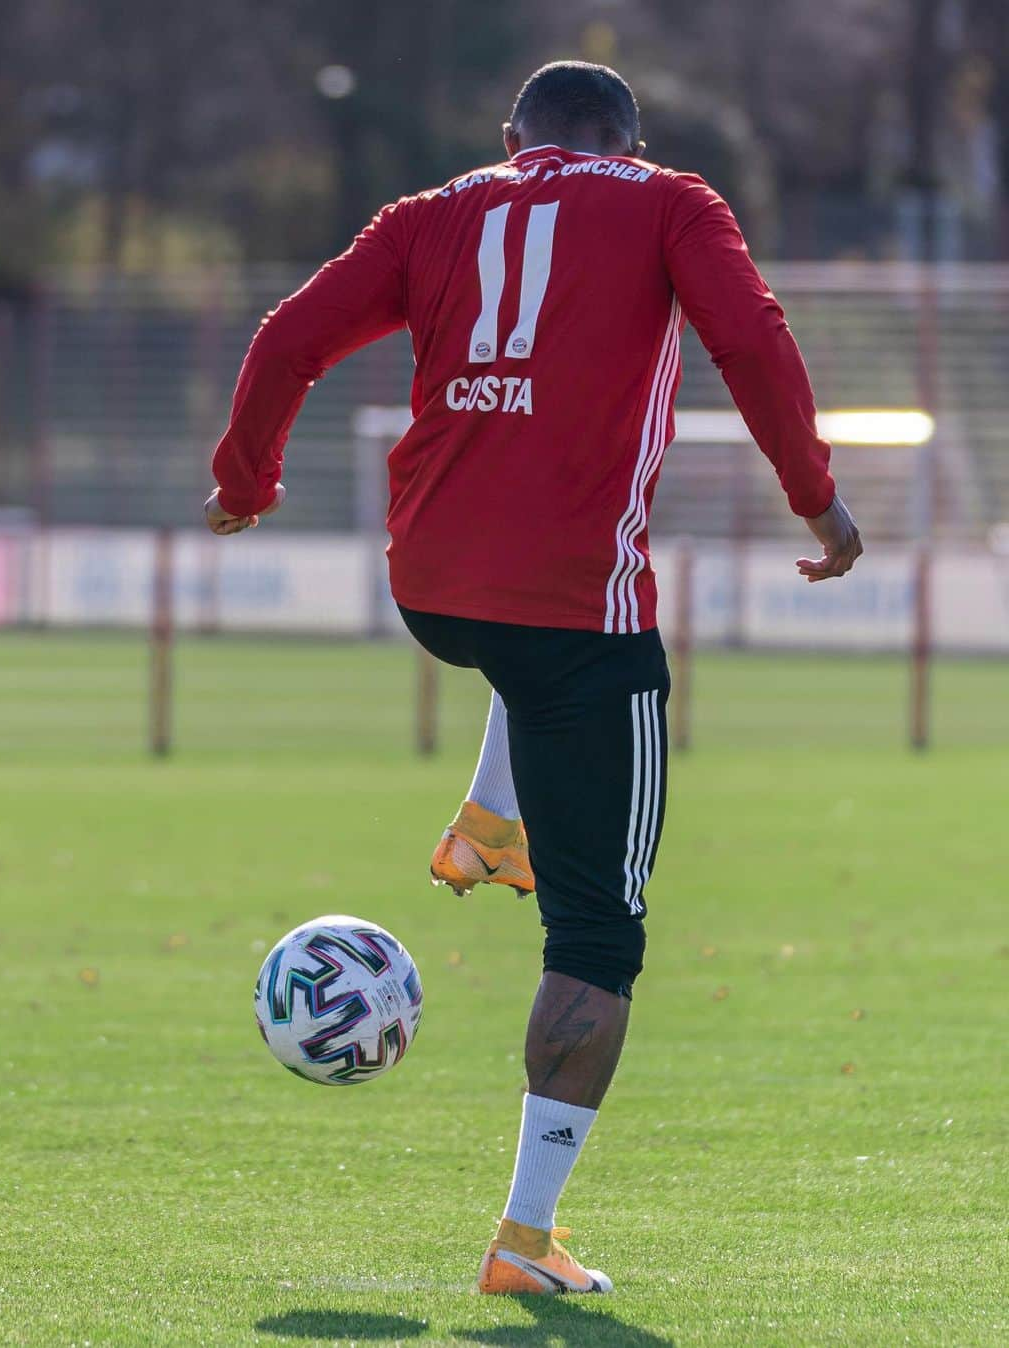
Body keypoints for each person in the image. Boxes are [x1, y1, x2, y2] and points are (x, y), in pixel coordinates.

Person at [204, 60, 863, 1295]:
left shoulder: (431, 210)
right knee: (599, 934)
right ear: (627, 137)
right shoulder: (671, 200)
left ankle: (493, 818)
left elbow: (287, 335)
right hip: (574, 613)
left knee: (520, 656)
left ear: (515, 138)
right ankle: (524, 1237)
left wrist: (246, 485)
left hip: (432, 584)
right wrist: (818, 502)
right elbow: (752, 337)